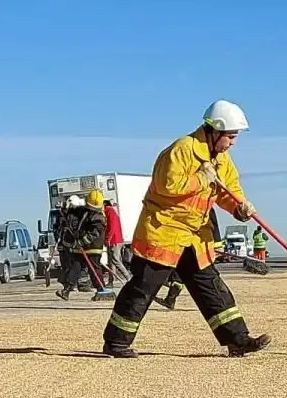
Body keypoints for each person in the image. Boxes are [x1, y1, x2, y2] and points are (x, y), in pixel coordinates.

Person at [103, 101, 272, 359]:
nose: (233, 142)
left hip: (194, 237)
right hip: (164, 232)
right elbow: (167, 186)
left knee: (212, 288)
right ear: (215, 131)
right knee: (143, 288)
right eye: (231, 136)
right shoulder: (182, 150)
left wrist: (240, 208)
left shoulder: (222, 160)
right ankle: (116, 343)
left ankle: (238, 339)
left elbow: (228, 192)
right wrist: (202, 178)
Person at [56, 190, 108, 299]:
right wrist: (65, 206)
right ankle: (66, 290)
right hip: (82, 247)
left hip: (93, 248)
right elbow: (75, 211)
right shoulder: (86, 211)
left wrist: (80, 242)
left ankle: (101, 289)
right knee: (76, 267)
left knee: (94, 269)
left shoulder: (99, 219)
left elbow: (93, 235)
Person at [103, 197, 129, 285]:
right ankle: (111, 281)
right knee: (111, 262)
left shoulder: (109, 211)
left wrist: (108, 239)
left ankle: (128, 278)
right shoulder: (109, 211)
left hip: (115, 240)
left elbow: (112, 227)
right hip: (114, 240)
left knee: (115, 260)